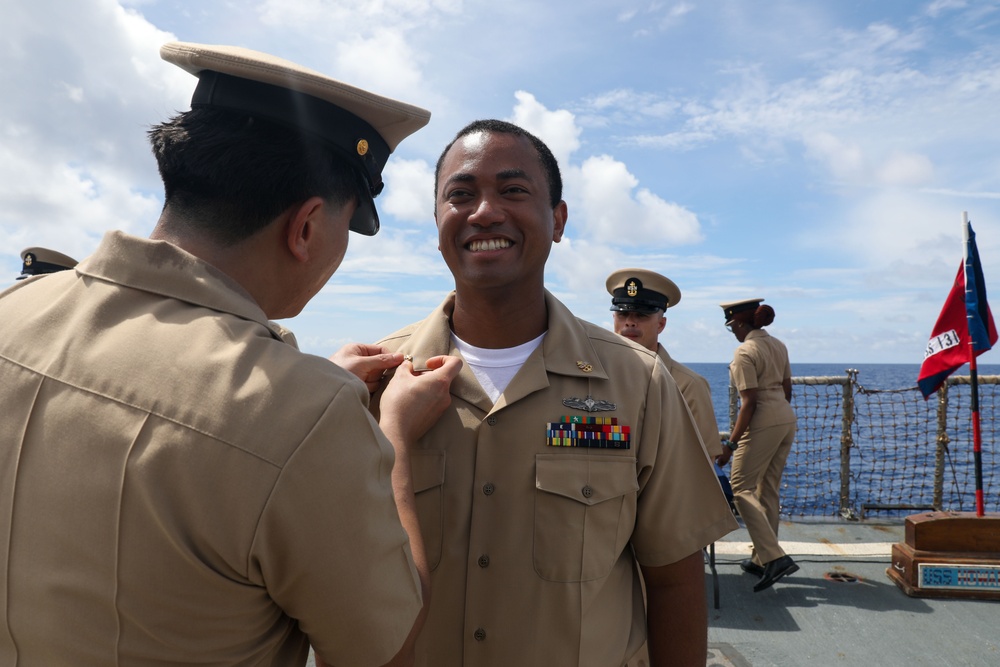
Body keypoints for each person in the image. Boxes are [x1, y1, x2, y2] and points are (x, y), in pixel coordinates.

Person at [0, 41, 462, 666]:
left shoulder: (14, 312)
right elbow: (386, 649)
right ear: (305, 228)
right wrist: (395, 440)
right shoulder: (308, 415)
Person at [373, 119, 737, 667]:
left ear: (558, 220)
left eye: (514, 190)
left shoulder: (638, 383)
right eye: (461, 194)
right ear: (438, 220)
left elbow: (674, 583)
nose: (484, 211)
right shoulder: (377, 381)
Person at [715, 298, 798, 592]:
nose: (733, 333)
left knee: (740, 488)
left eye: (731, 327)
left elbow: (748, 402)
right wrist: (777, 416)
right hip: (786, 418)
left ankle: (774, 557)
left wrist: (731, 444)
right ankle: (762, 559)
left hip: (762, 418)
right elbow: (787, 389)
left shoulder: (744, 352)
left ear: (738, 323)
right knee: (768, 489)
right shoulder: (778, 345)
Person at [606, 268, 723, 459]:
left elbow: (702, 461)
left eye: (641, 315)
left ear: (661, 324)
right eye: (622, 315)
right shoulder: (598, 375)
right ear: (614, 319)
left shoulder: (688, 386)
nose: (629, 323)